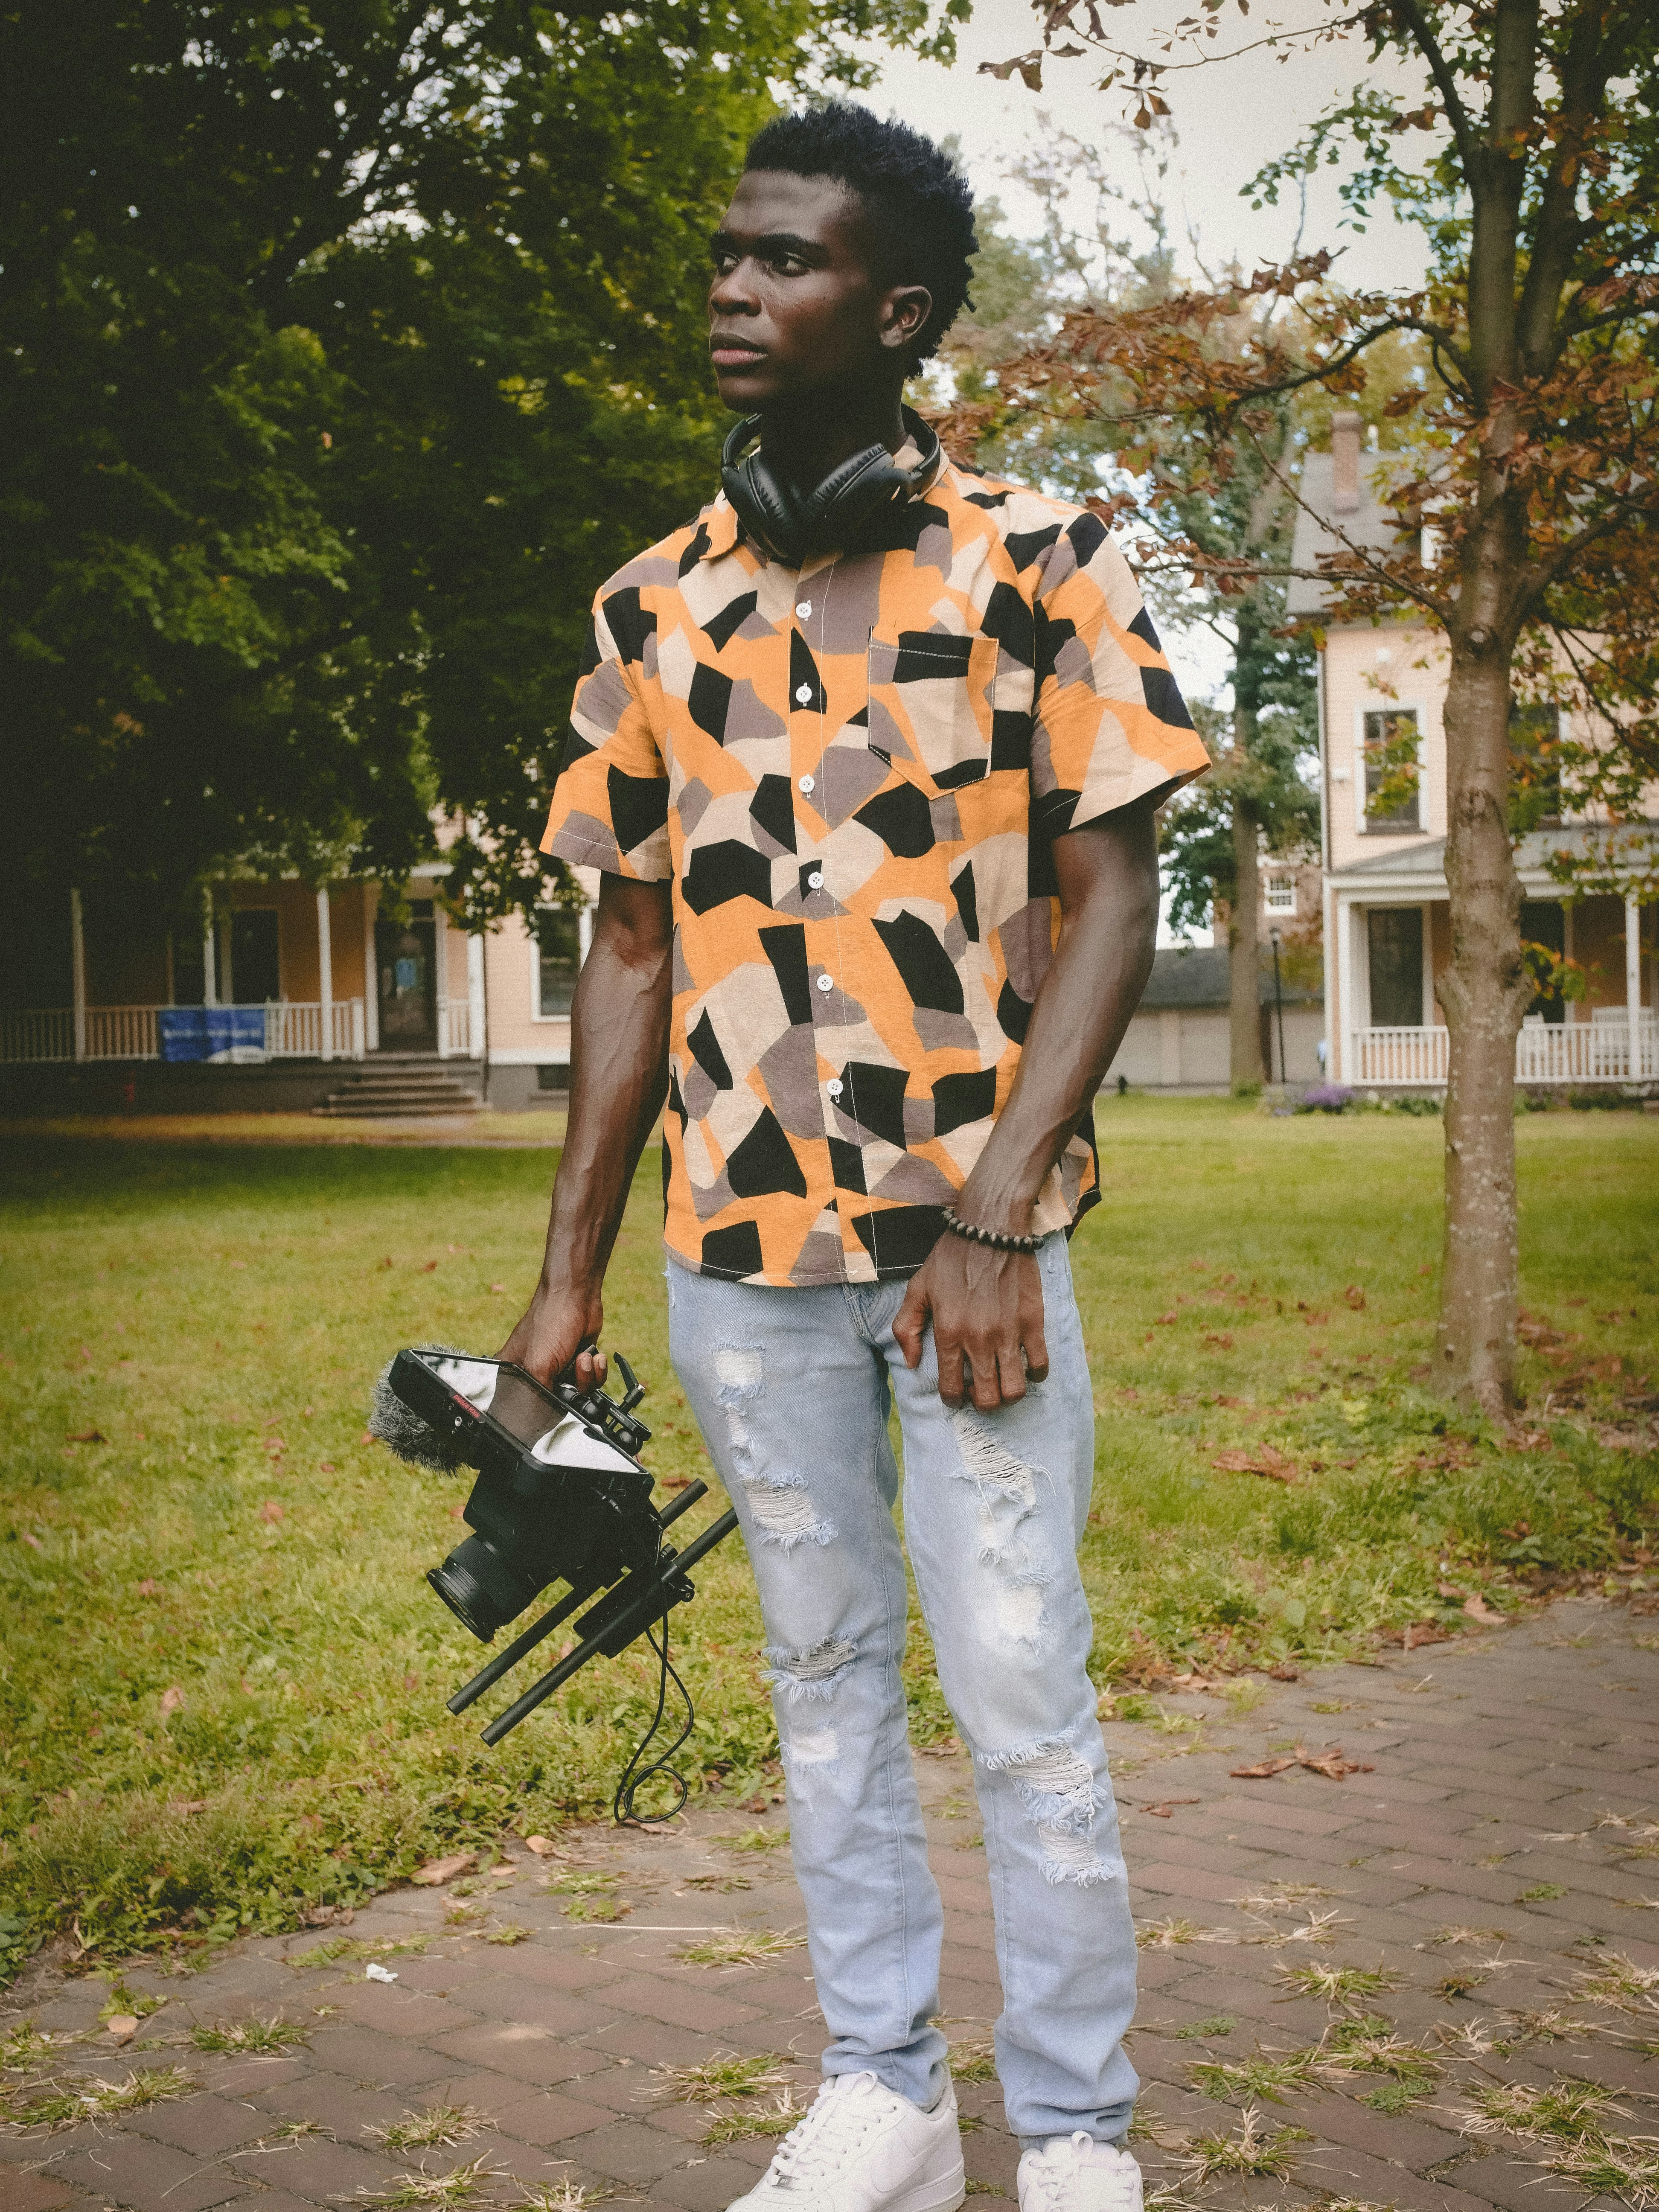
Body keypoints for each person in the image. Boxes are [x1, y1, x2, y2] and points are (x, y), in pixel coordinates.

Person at [502, 101, 1208, 2212]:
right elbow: (628, 945)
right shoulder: (653, 609)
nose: (735, 287)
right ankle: (885, 2100)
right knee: (822, 1681)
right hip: (739, 1258)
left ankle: (1077, 2138)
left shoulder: (1046, 564)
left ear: (894, 312)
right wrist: (563, 1280)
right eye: (727, 255)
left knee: (1016, 1685)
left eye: (786, 260)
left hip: (964, 1253)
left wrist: (1000, 1210)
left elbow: (1115, 893)